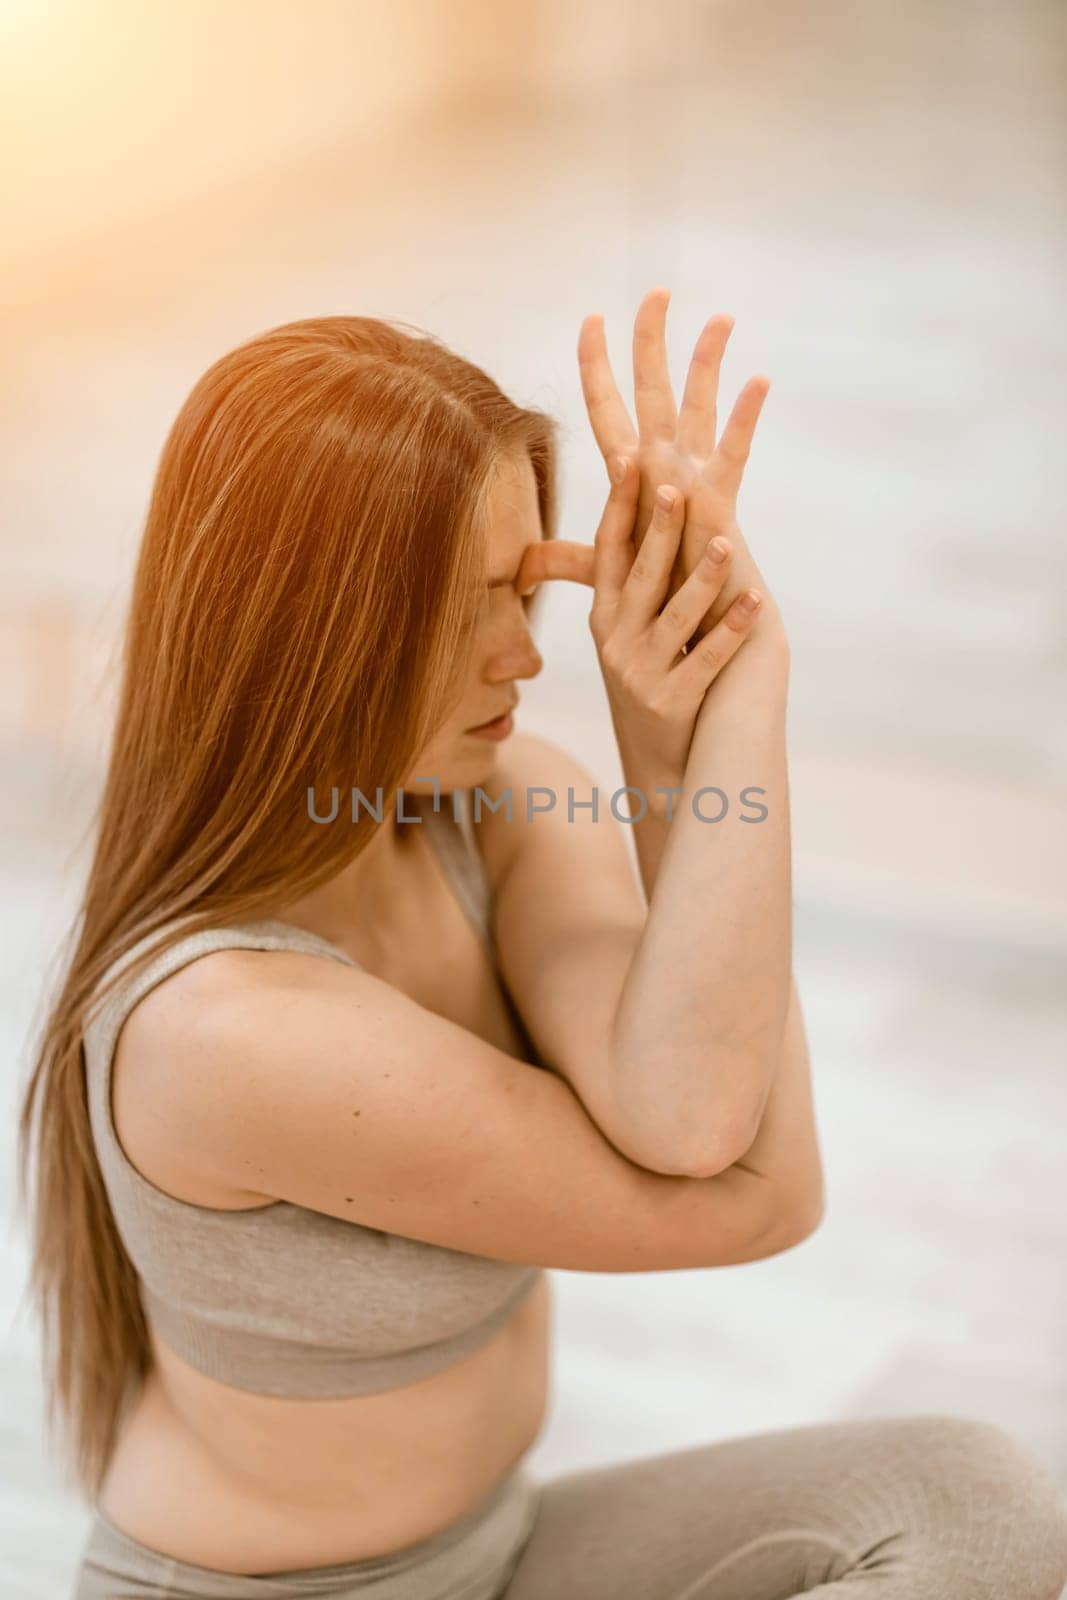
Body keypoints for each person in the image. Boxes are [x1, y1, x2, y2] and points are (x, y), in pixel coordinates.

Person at [18, 292, 1067, 1599]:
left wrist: (697, 716)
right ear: (312, 636)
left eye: (525, 591)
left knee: (971, 1507)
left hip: (499, 1559)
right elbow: (757, 1194)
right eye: (465, 610)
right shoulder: (225, 1030)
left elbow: (686, 1103)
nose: (524, 655)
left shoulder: (494, 810)